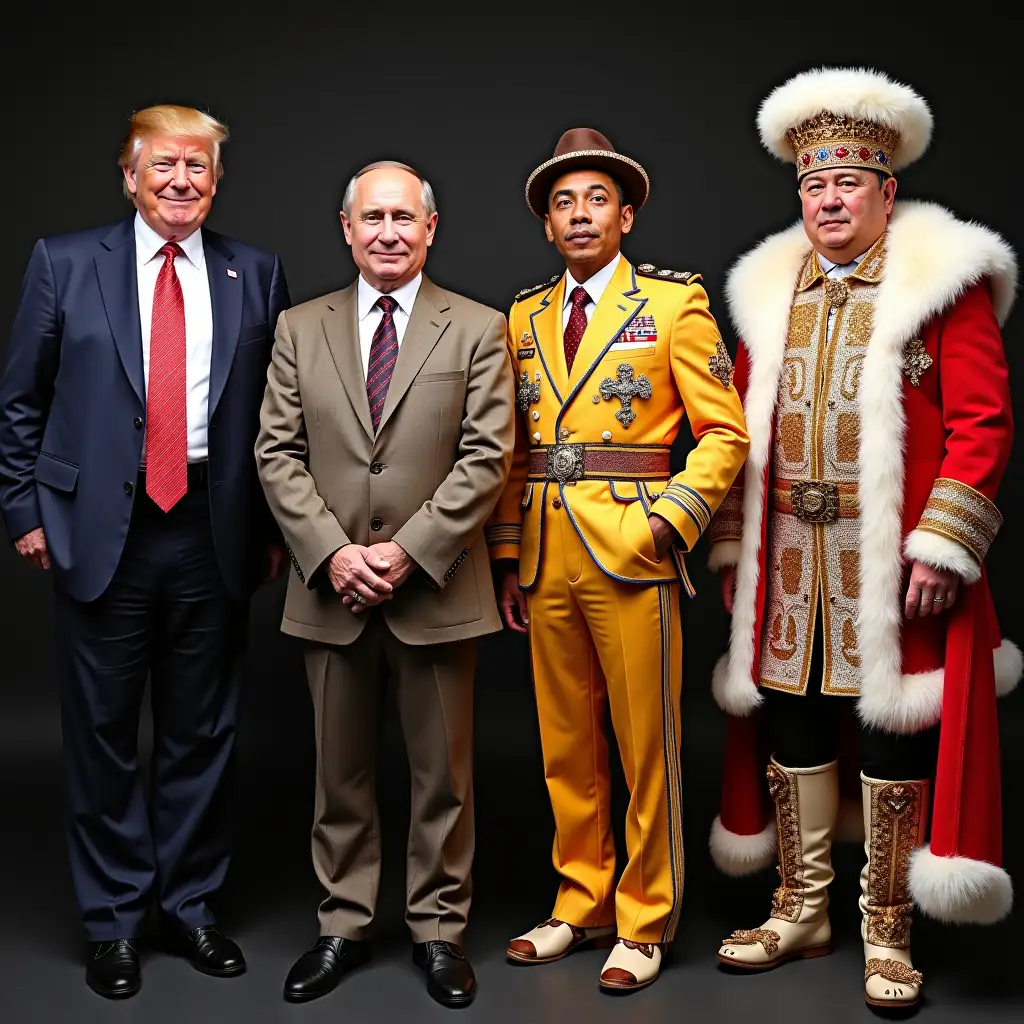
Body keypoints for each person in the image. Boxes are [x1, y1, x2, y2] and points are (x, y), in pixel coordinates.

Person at [706, 68, 1018, 1010]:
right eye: (813, 184)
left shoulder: (941, 289)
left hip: (893, 566)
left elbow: (985, 422)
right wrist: (733, 549)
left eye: (848, 182)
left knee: (892, 732)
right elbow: (734, 433)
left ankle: (888, 928)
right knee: (792, 719)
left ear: (888, 191)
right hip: (788, 560)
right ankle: (801, 909)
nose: (829, 198)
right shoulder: (767, 293)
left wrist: (942, 546)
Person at [0, 104, 290, 998]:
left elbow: (280, 419)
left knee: (203, 731)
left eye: (198, 167)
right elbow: (20, 402)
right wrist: (24, 511)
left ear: (215, 180)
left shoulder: (257, 272)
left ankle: (192, 907)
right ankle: (115, 920)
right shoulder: (63, 262)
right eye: (163, 165)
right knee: (100, 735)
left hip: (212, 526)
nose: (181, 181)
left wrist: (273, 529)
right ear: (130, 177)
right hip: (99, 530)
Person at [486, 128, 749, 992]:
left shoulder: (673, 305)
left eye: (596, 198)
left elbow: (725, 434)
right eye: (563, 203)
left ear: (627, 215)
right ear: (547, 226)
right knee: (567, 747)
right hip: (547, 552)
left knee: (647, 746)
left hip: (634, 550)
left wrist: (670, 522)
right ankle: (580, 899)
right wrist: (509, 551)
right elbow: (514, 447)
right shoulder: (523, 316)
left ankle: (644, 916)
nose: (579, 214)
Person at [256, 160, 515, 1009]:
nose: (388, 233)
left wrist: (406, 552)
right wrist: (332, 554)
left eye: (404, 218)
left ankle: (439, 932)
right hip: (330, 591)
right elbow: (277, 455)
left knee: (444, 776)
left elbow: (488, 458)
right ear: (346, 228)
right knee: (340, 775)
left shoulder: (476, 327)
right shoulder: (299, 328)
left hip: (435, 590)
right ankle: (342, 924)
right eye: (372, 218)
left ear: (431, 228)